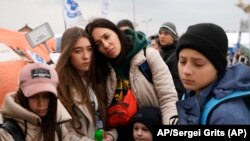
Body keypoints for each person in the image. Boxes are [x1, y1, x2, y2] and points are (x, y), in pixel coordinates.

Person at [85, 18, 178, 141]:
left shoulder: (148, 56)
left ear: (117, 32)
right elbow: (103, 113)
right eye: (98, 44)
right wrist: (111, 135)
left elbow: (168, 99)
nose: (105, 45)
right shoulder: (102, 69)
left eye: (107, 37)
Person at [176, 23, 250, 124]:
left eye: (198, 64)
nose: (186, 71)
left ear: (218, 67)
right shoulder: (191, 93)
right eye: (182, 61)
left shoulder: (227, 115)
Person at [55, 27, 117, 141]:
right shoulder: (59, 85)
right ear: (67, 53)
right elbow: (65, 132)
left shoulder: (99, 78)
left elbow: (108, 119)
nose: (86, 56)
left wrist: (111, 136)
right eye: (77, 51)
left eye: (89, 49)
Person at [0, 63, 71, 141]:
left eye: (46, 96)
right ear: (23, 96)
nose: (41, 103)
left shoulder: (59, 126)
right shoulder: (8, 133)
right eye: (34, 96)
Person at [158, 22, 185, 99]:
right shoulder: (162, 52)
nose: (162, 36)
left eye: (166, 34)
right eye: (160, 33)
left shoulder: (176, 55)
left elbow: (178, 85)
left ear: (173, 37)